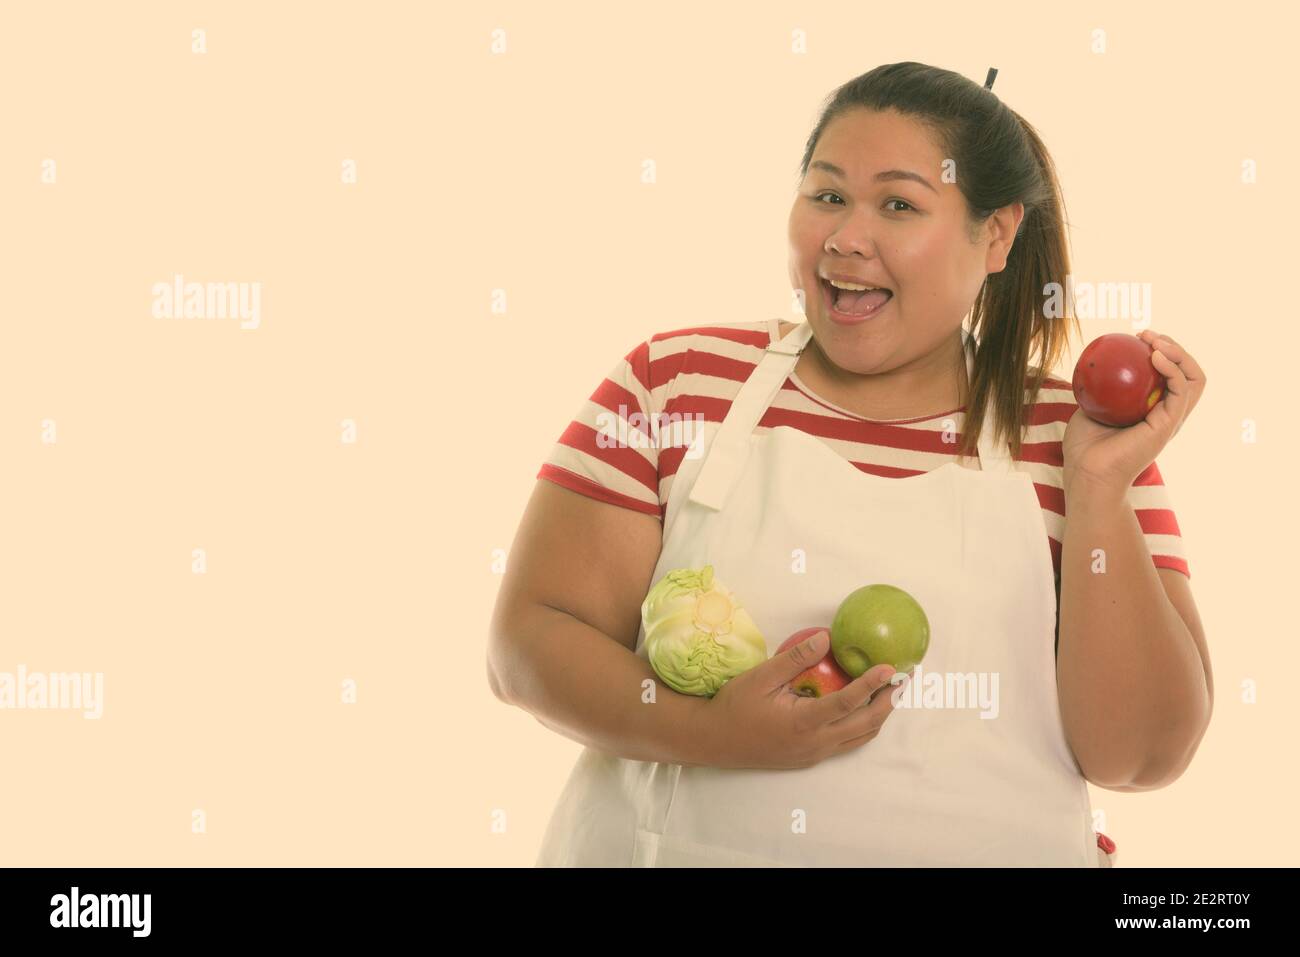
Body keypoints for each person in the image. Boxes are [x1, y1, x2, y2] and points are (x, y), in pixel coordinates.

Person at [488, 61, 1211, 867]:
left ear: (997, 234)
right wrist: (708, 732)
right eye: (827, 194)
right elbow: (529, 641)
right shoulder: (676, 381)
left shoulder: (1077, 439)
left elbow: (1139, 754)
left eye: (898, 204)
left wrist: (1102, 489)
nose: (844, 237)